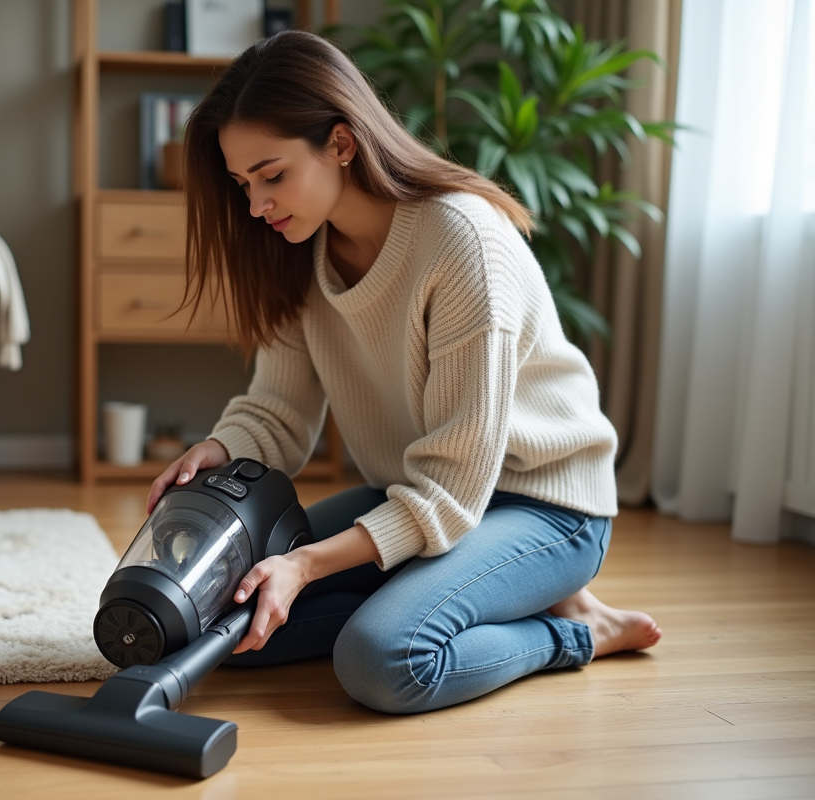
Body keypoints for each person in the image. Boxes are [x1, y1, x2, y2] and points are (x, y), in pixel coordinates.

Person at [146, 30, 661, 715]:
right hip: (422, 497)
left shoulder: (462, 241)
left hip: (543, 504)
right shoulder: (297, 248)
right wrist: (220, 449)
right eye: (243, 184)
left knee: (383, 659)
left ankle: (573, 629)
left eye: (272, 175)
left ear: (341, 143)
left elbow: (453, 487)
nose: (255, 205)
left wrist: (305, 564)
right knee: (225, 624)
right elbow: (277, 412)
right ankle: (466, 590)